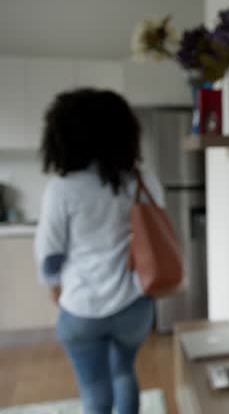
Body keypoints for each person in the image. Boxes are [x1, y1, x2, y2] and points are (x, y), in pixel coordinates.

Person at [34, 88, 164, 414]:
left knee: (94, 388)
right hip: (135, 304)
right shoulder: (143, 181)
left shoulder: (63, 189)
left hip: (81, 307)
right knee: (124, 371)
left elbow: (50, 253)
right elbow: (158, 239)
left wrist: (54, 289)